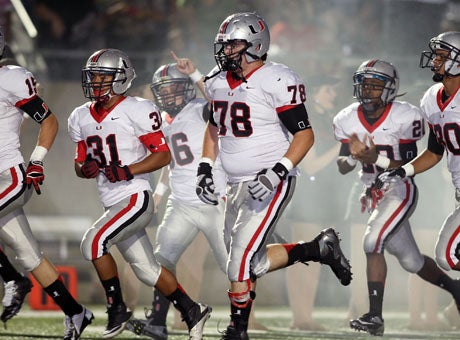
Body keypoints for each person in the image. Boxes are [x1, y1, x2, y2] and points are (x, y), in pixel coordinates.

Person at [199, 12, 352, 340]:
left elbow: (305, 136)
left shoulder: (277, 79)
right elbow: (214, 128)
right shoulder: (216, 81)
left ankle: (236, 331)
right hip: (234, 182)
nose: (226, 51)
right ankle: (317, 250)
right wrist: (205, 167)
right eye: (224, 44)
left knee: (238, 256)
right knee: (248, 263)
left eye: (235, 44)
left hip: (271, 179)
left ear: (256, 44)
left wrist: (276, 172)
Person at [67, 48, 211, 339]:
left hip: (135, 197)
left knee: (93, 243)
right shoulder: (80, 116)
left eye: (102, 77)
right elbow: (78, 166)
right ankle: (192, 310)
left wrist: (128, 170)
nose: (95, 82)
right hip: (111, 201)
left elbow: (162, 156)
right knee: (147, 270)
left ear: (120, 80)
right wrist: (87, 168)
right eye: (93, 76)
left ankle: (116, 309)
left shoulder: (137, 109)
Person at [333, 58, 460, 336]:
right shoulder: (346, 117)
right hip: (370, 189)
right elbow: (343, 166)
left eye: (375, 85)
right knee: (410, 260)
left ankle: (374, 316)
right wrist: (353, 159)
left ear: (390, 89)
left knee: (372, 240)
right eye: (364, 84)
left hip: (399, 188)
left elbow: (408, 165)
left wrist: (374, 157)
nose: (368, 90)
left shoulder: (406, 116)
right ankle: (456, 290)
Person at [0, 29, 93, 340]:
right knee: (29, 255)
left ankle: (12, 278)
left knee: (22, 263)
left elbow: (49, 120)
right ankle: (76, 311)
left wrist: (37, 161)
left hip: (9, 176)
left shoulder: (10, 77)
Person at [125, 59, 228, 339]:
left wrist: (194, 74)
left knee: (234, 264)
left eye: (174, 89)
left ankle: (239, 323)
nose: (169, 95)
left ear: (186, 89)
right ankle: (158, 322)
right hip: (180, 202)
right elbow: (170, 165)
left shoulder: (200, 109)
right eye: (164, 90)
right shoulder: (161, 120)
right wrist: (159, 194)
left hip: (213, 197)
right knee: (161, 261)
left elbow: (221, 99)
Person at [283, 75, 342, 331]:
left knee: (315, 260)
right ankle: (300, 317)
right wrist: (342, 147)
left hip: (323, 197)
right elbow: (311, 165)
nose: (333, 95)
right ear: (314, 91)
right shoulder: (308, 119)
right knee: (302, 260)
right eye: (328, 89)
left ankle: (305, 316)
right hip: (308, 196)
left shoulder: (328, 118)